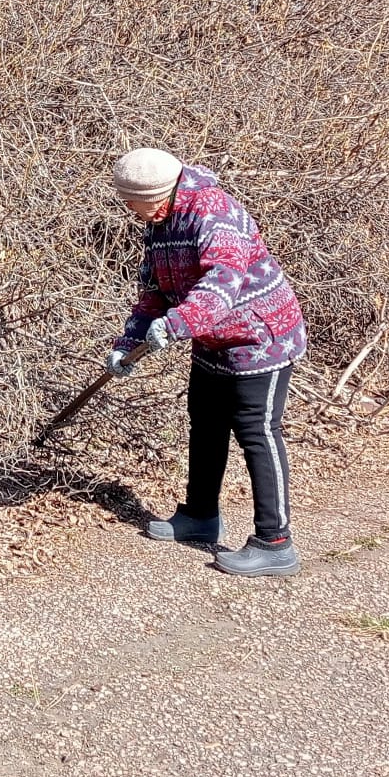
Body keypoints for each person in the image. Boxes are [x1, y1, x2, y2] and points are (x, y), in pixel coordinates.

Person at [105, 148, 308, 577]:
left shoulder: (214, 213)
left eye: (131, 201)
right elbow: (155, 290)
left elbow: (223, 281)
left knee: (257, 432)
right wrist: (130, 340)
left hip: (260, 336)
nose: (129, 209)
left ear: (156, 194)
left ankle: (275, 542)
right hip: (212, 338)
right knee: (206, 422)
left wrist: (179, 322)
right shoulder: (160, 223)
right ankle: (200, 516)